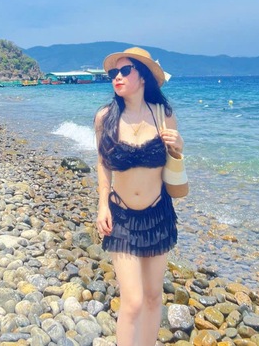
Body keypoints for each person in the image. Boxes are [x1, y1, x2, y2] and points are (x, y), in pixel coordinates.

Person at [94, 46, 184, 346]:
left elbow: (174, 157)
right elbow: (102, 164)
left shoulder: (163, 115)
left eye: (124, 71)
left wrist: (179, 145)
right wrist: (102, 205)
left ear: (143, 77)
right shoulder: (105, 118)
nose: (116, 77)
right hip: (121, 215)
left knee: (153, 296)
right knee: (132, 301)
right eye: (113, 73)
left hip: (158, 214)